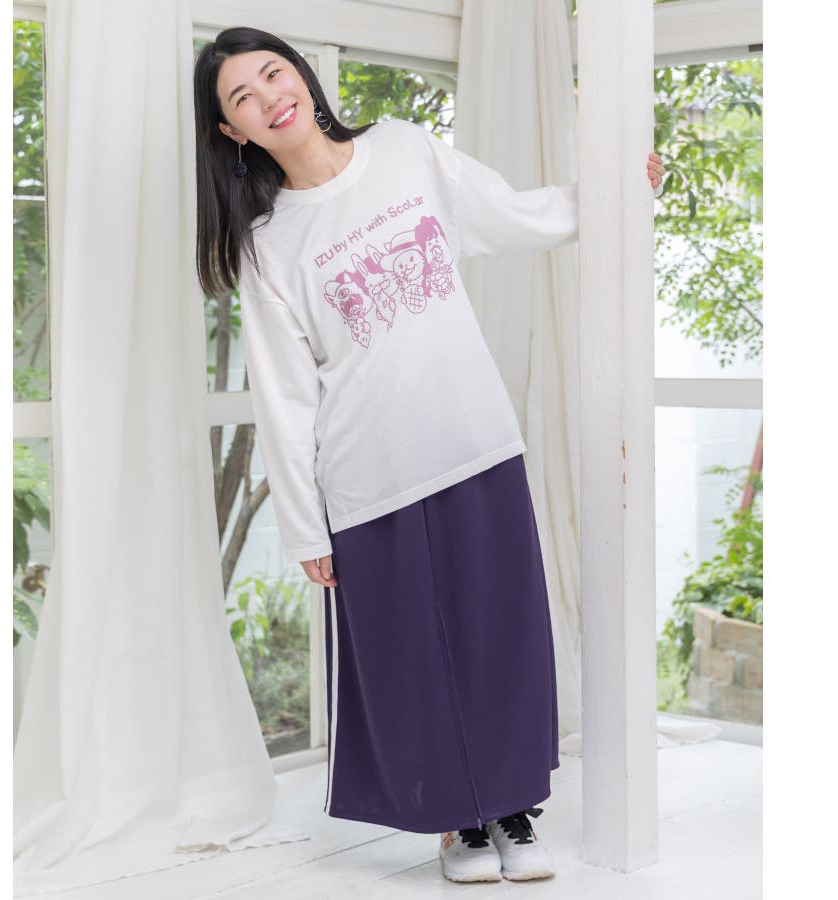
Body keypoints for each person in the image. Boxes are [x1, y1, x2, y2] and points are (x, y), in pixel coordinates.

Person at [193, 26, 666, 885]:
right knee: (411, 657)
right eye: (243, 98)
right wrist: (306, 529)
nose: (269, 98)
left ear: (301, 76)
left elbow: (512, 214)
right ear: (234, 132)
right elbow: (286, 397)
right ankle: (457, 825)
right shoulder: (266, 243)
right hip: (367, 476)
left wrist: (616, 195)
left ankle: (512, 810)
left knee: (500, 636)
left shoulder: (404, 151)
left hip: (474, 439)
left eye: (273, 73)